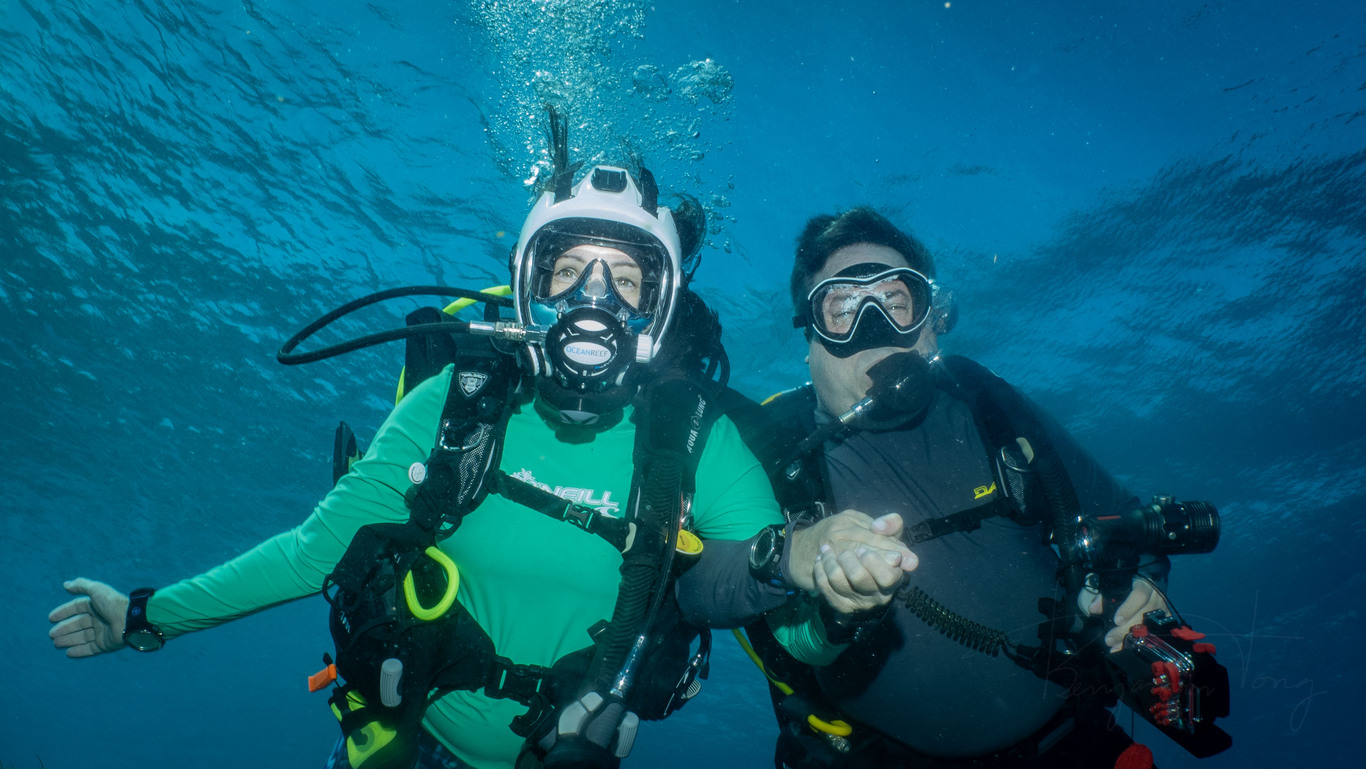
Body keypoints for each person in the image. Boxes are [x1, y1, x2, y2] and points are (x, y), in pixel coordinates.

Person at [46, 159, 912, 769]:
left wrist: (838, 592)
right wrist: (147, 615)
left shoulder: (697, 440)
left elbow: (788, 628)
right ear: (527, 286)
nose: (594, 301)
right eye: (568, 270)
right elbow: (312, 553)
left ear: (660, 308)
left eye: (625, 280)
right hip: (407, 744)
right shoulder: (455, 405)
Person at [735, 207, 1187, 769]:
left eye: (896, 300)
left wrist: (1141, 594)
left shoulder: (988, 404)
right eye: (843, 307)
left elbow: (1124, 524)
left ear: (932, 320)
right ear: (809, 336)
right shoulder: (771, 448)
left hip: (1078, 741)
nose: (874, 324)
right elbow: (733, 593)